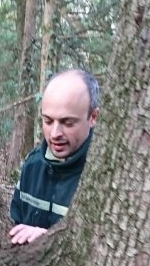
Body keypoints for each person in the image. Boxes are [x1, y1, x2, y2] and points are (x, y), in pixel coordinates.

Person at [9, 69, 99, 245]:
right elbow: (16, 221)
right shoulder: (32, 166)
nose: (55, 133)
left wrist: (49, 241)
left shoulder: (102, 175)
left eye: (68, 123)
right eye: (48, 121)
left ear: (93, 117)